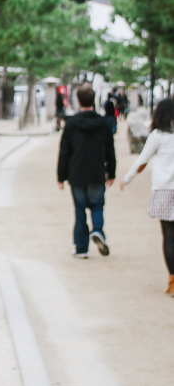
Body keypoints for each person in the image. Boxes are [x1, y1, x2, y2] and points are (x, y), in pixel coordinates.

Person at [120, 97, 174, 296]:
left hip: (163, 190)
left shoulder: (157, 136)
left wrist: (127, 178)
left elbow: (142, 161)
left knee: (169, 236)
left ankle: (172, 281)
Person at [58, 83, 116, 258]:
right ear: (94, 100)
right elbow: (109, 150)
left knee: (80, 210)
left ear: (78, 100)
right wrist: (111, 172)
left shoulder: (71, 123)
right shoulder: (103, 123)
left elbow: (64, 151)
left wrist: (61, 175)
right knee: (97, 206)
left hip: (76, 173)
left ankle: (81, 248)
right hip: (97, 171)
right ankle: (97, 230)